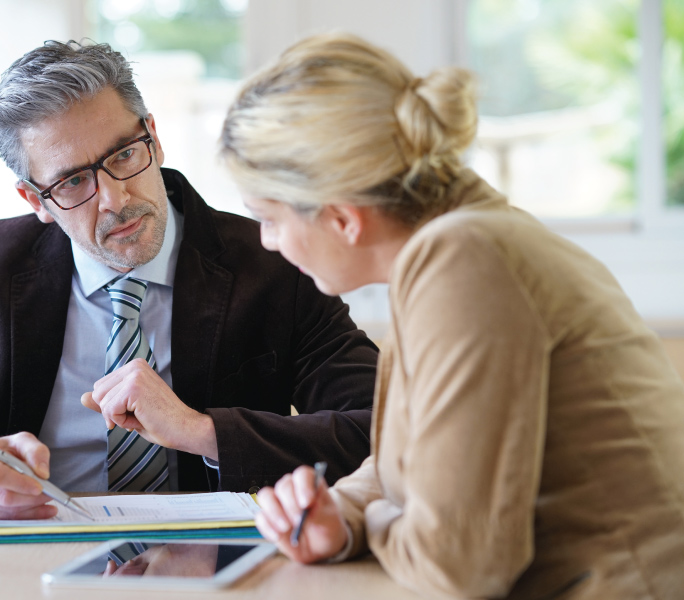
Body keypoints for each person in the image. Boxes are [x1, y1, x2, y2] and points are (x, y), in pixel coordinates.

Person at [219, 32, 684, 600]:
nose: (267, 244)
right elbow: (403, 464)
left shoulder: (466, 261)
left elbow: (460, 564)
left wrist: (379, 519)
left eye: (268, 217)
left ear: (342, 218)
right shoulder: (458, 238)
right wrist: (340, 514)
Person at [0, 40, 379, 520]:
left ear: (153, 136)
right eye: (73, 181)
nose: (115, 200)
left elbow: (384, 429)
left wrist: (204, 432)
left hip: (218, 554)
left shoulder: (273, 261)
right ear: (35, 200)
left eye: (124, 155)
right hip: (30, 552)